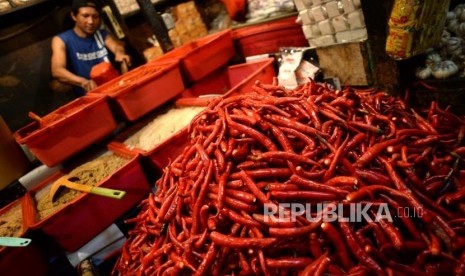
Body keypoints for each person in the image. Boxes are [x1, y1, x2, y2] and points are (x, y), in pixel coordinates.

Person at [51, 0, 131, 96]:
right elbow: (57, 70)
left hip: (114, 90)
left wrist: (120, 54)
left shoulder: (102, 35)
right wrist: (83, 82)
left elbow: (117, 47)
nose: (91, 21)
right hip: (89, 98)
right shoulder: (61, 40)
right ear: (74, 16)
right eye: (85, 16)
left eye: (95, 17)